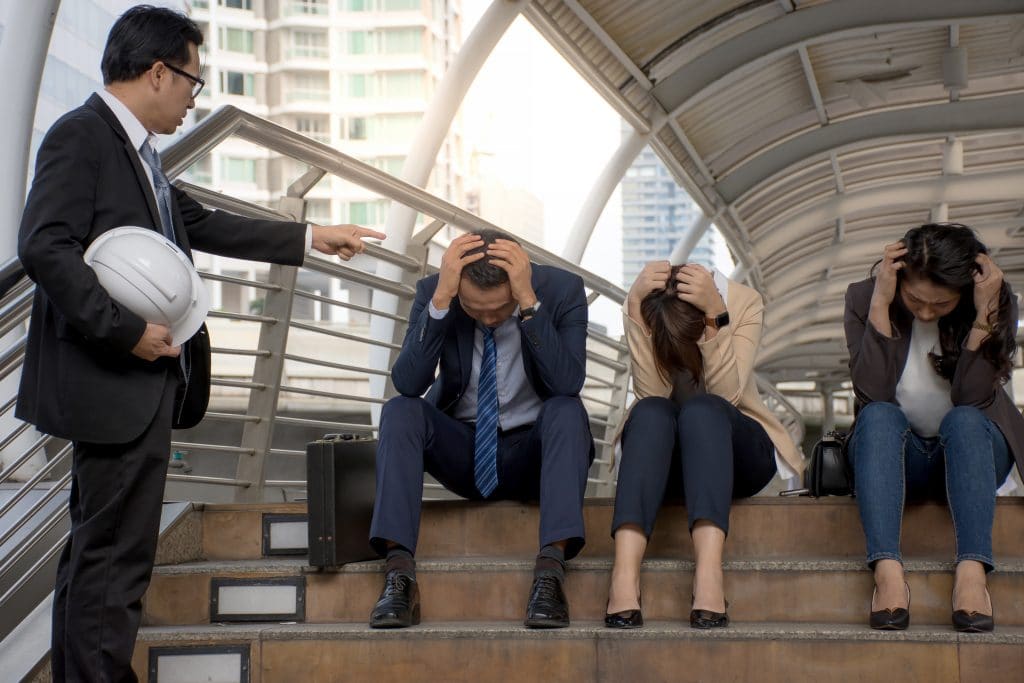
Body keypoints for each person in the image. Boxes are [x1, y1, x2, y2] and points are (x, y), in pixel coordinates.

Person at [15, 7, 384, 681]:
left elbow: (206, 224)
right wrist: (127, 331)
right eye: (192, 80)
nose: (194, 96)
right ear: (158, 72)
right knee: (115, 556)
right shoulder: (84, 138)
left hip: (130, 386)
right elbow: (43, 244)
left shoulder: (137, 155)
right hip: (113, 382)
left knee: (98, 552)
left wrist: (309, 237)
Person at [368, 228, 594, 629]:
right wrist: (440, 301)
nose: (489, 319)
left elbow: (566, 383)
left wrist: (528, 305)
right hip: (465, 450)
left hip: (533, 454)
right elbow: (407, 382)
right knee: (401, 411)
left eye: (498, 309)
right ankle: (399, 574)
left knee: (566, 408)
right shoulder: (438, 292)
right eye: (476, 311)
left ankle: (550, 573)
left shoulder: (562, 291)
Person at [605, 261, 803, 629]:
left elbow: (729, 394)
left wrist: (716, 320)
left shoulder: (745, 302)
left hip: (736, 454)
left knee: (703, 410)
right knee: (649, 411)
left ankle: (709, 574)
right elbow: (651, 393)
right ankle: (624, 576)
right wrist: (634, 313)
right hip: (666, 460)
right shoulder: (646, 304)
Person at [844, 223, 1021, 632]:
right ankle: (888, 574)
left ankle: (973, 573)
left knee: (964, 419)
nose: (925, 312)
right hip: (891, 459)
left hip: (970, 455)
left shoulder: (993, 299)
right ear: (898, 277)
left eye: (940, 305)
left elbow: (973, 398)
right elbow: (872, 392)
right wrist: (881, 304)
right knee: (879, 415)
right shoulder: (861, 297)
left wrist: (983, 312)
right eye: (915, 300)